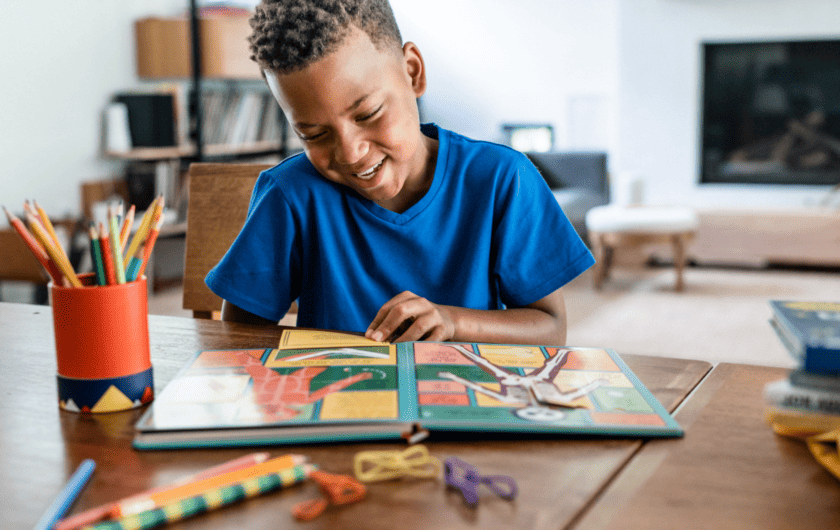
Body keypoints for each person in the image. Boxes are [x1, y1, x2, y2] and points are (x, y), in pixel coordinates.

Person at [206, 0, 594, 346]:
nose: (351, 153)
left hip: (465, 413)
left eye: (368, 114)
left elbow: (550, 328)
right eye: (314, 134)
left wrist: (452, 320)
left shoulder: (502, 180)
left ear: (412, 72)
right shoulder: (290, 195)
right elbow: (239, 336)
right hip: (341, 413)